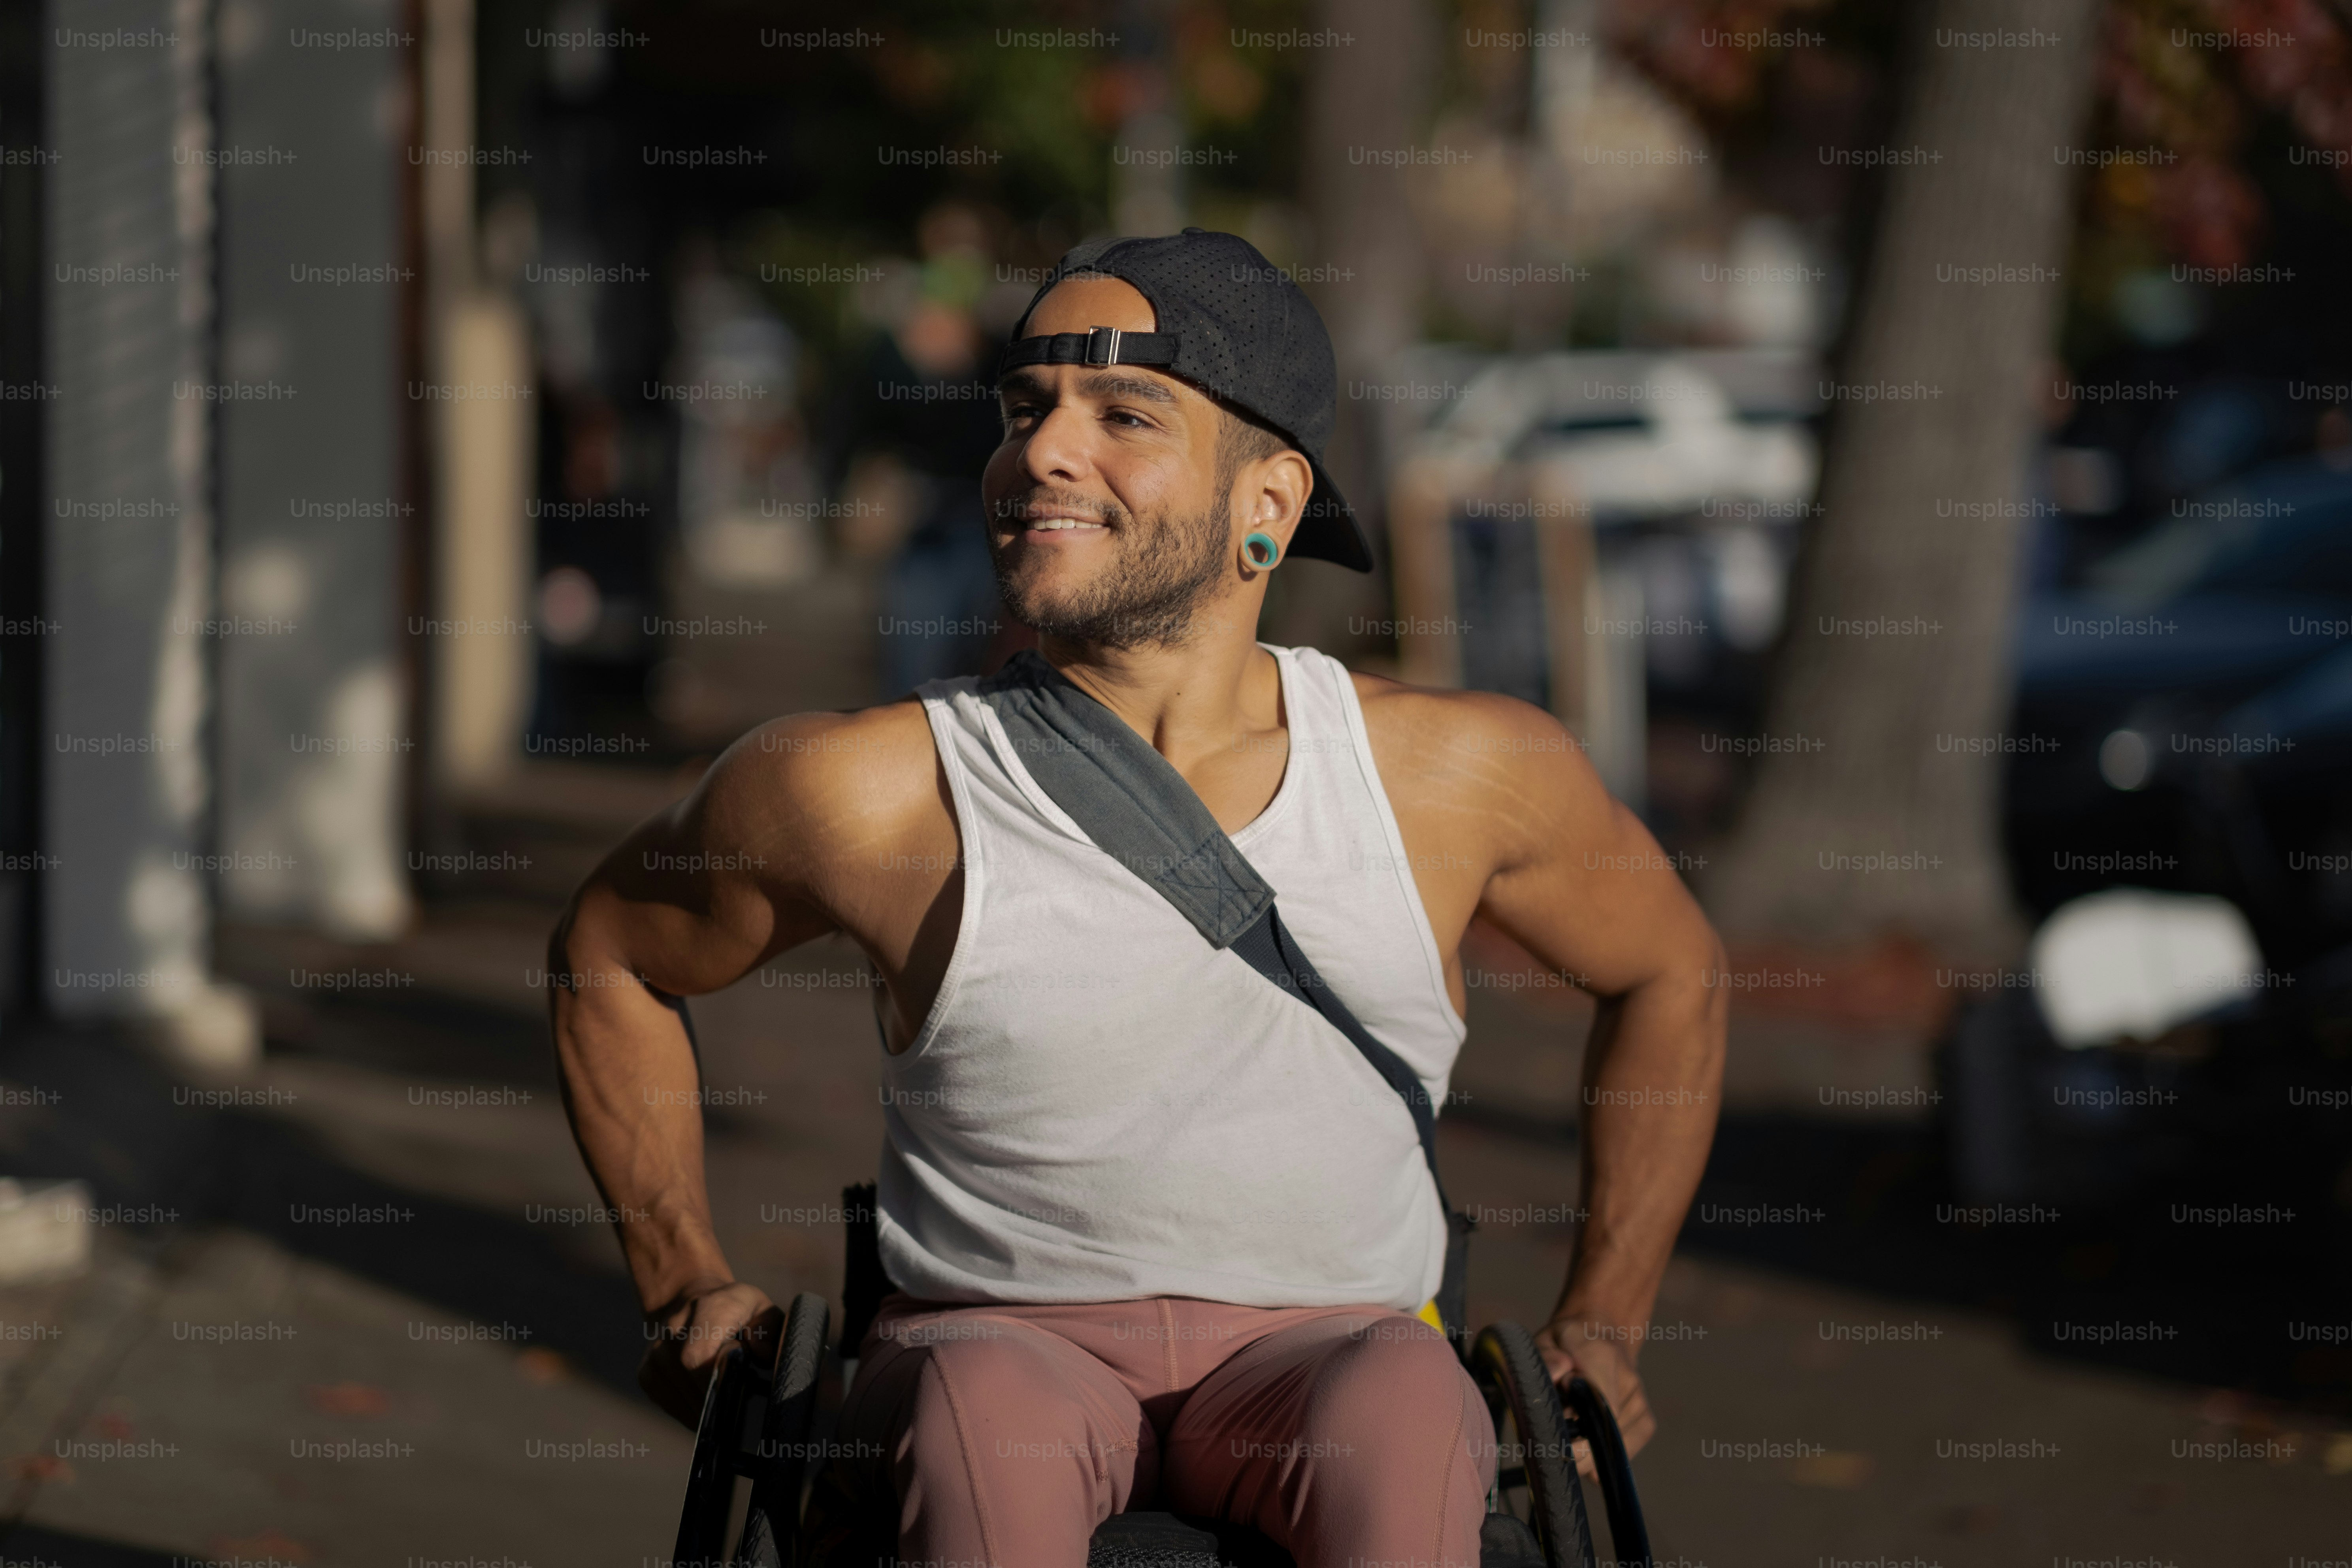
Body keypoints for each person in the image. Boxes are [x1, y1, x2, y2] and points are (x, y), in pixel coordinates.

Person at [547, 229, 1726, 1568]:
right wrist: (680, 1281)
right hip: (996, 1345)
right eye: (1025, 411)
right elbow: (608, 953)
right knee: (984, 1418)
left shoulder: (1464, 777)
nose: (1042, 452)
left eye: (1123, 415)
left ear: (1267, 500)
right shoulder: (860, 791)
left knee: (1406, 1414)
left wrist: (1605, 1322)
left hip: (1337, 1349)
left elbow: (1669, 973)